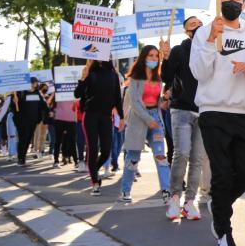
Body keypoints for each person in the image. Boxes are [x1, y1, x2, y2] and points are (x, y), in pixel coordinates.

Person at [190, 0, 245, 246]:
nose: (231, 2)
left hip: (242, 113)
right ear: (218, 2)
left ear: (244, 5)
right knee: (222, 172)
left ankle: (219, 205)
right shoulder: (204, 33)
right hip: (213, 112)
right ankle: (224, 235)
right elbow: (199, 72)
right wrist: (212, 39)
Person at [161, 15, 208, 221]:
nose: (198, 26)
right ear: (187, 32)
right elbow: (166, 77)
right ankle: (174, 198)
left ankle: (190, 202)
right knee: (181, 153)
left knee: (197, 159)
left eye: (200, 23)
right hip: (181, 109)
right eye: (193, 24)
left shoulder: (210, 50)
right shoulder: (180, 50)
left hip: (203, 110)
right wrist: (165, 57)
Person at [120, 45, 171, 203]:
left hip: (155, 118)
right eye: (150, 55)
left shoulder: (158, 78)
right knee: (133, 158)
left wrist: (164, 99)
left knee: (161, 157)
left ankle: (166, 191)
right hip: (138, 120)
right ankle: (125, 191)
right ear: (144, 57)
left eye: (156, 56)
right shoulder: (135, 78)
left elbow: (155, 102)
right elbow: (135, 103)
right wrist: (149, 120)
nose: (154, 59)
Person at [74, 60, 123, 195]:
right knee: (93, 148)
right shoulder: (91, 73)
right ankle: (95, 182)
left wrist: (122, 117)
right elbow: (77, 94)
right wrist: (83, 78)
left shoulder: (113, 75)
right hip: (90, 115)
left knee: (106, 150)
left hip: (106, 116)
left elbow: (117, 97)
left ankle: (93, 170)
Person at [16, 78, 48, 166]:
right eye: (35, 82)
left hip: (33, 121)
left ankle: (23, 157)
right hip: (23, 121)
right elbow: (17, 105)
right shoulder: (22, 93)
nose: (36, 84)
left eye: (37, 82)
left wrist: (49, 111)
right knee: (23, 139)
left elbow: (43, 104)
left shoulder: (38, 93)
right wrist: (16, 101)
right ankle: (20, 158)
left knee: (28, 140)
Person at [52, 92, 78, 168]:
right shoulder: (58, 89)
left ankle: (76, 161)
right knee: (58, 141)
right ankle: (56, 161)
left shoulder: (74, 90)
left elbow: (78, 101)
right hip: (59, 118)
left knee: (72, 141)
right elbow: (51, 103)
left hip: (71, 119)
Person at [0, 93, 18, 161]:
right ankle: (11, 154)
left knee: (20, 136)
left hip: (21, 117)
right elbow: (4, 109)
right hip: (12, 117)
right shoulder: (10, 97)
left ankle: (19, 154)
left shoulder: (24, 95)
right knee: (12, 136)